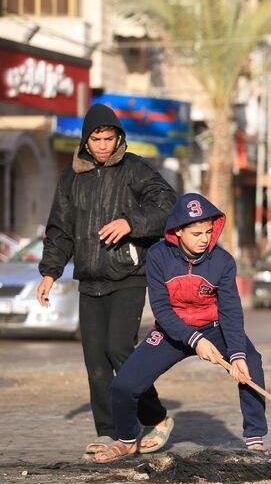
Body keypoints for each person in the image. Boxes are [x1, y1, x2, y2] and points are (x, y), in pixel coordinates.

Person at [37, 104, 177, 455]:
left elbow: (166, 204)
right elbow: (59, 230)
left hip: (128, 275)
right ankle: (109, 431)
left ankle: (157, 417)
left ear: (119, 138)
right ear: (86, 141)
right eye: (96, 139)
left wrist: (131, 221)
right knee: (95, 361)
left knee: (119, 350)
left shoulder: (135, 169)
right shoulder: (71, 178)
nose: (102, 145)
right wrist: (50, 273)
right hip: (89, 280)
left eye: (108, 138)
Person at [94, 193, 267, 462]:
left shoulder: (223, 261)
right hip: (171, 331)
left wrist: (237, 354)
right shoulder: (158, 256)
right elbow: (161, 309)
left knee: (251, 363)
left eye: (209, 232)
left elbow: (231, 311)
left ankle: (255, 438)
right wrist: (194, 339)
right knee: (123, 386)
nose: (205, 239)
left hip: (215, 328)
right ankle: (127, 439)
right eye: (196, 233)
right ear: (178, 231)